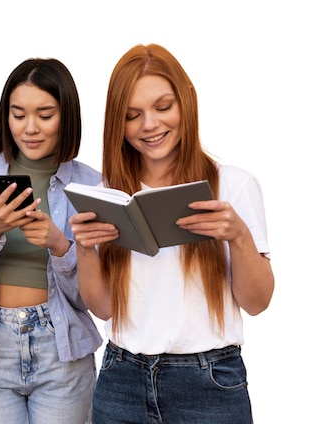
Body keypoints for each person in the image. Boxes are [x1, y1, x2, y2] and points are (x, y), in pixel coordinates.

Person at [68, 43, 275, 424]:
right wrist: (85, 249)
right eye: (132, 115)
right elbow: (104, 308)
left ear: (186, 102)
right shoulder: (111, 192)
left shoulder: (233, 185)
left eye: (163, 107)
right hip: (120, 379)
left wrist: (239, 237)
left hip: (209, 384)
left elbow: (258, 302)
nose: (150, 125)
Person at [0, 58, 102, 424]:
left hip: (62, 354)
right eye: (18, 115)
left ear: (68, 117)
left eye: (45, 115)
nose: (30, 128)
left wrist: (61, 246)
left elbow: (90, 298)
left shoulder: (92, 186)